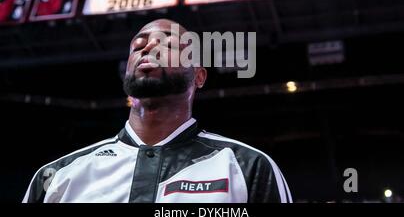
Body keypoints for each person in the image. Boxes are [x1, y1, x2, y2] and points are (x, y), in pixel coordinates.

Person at [23, 19, 292, 203]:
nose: (149, 47)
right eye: (138, 46)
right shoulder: (58, 175)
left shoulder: (248, 167)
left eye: (169, 45)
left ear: (199, 76)